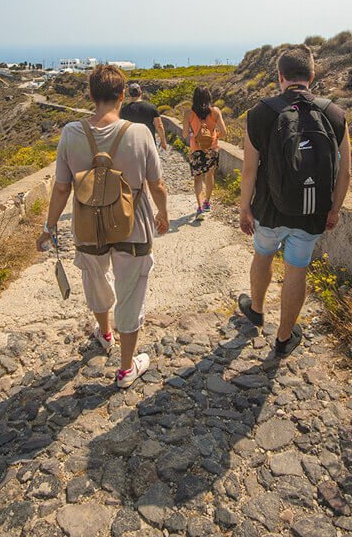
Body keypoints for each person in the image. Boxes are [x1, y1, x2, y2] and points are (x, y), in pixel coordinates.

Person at [38, 65, 171, 388]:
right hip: (133, 228)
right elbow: (157, 184)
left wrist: (49, 226)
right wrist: (163, 213)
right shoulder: (139, 134)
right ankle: (126, 369)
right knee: (131, 291)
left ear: (90, 95)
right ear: (122, 96)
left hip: (88, 227)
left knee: (95, 279)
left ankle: (105, 333)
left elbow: (60, 187)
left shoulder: (71, 133)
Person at [237, 45, 352, 357]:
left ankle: (256, 310)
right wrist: (334, 209)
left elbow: (249, 171)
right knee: (296, 270)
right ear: (312, 76)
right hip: (311, 211)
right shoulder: (334, 113)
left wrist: (244, 208)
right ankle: (284, 339)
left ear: (280, 77)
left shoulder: (259, 113)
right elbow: (345, 173)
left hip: (269, 210)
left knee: (263, 255)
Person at [182, 87, 226, 217]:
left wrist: (193, 134)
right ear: (209, 97)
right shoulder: (215, 111)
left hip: (196, 149)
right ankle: (207, 202)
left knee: (197, 178)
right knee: (210, 175)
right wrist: (214, 137)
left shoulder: (188, 113)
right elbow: (224, 132)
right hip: (212, 148)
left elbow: (184, 134)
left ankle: (200, 207)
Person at [121, 82, 168, 151]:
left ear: (129, 94)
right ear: (140, 92)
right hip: (149, 143)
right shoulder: (151, 107)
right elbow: (159, 126)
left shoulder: (123, 110)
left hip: (131, 145)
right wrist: (163, 141)